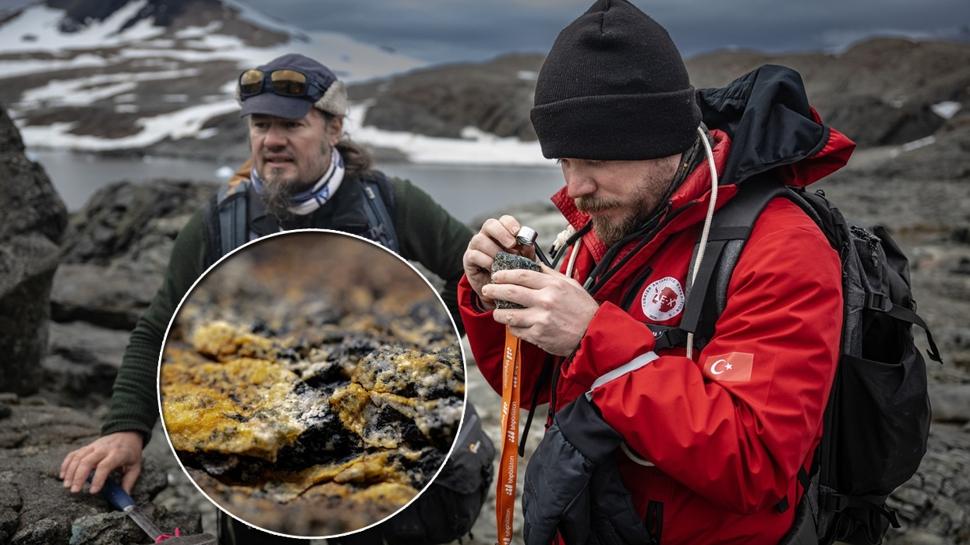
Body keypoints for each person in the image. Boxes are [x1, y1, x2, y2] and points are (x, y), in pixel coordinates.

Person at [459, 1, 857, 544]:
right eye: (564, 161)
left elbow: (755, 462)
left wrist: (594, 336)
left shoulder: (781, 247)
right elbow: (536, 391)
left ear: (658, 139)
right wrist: (498, 302)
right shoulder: (602, 228)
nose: (575, 188)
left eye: (594, 158)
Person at [59, 53, 483, 544]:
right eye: (260, 124)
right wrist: (127, 429)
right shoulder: (221, 225)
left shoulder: (388, 203)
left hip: (382, 458)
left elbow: (470, 272)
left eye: (291, 125)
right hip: (265, 466)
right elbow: (161, 328)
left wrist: (428, 346)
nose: (272, 140)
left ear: (333, 128)